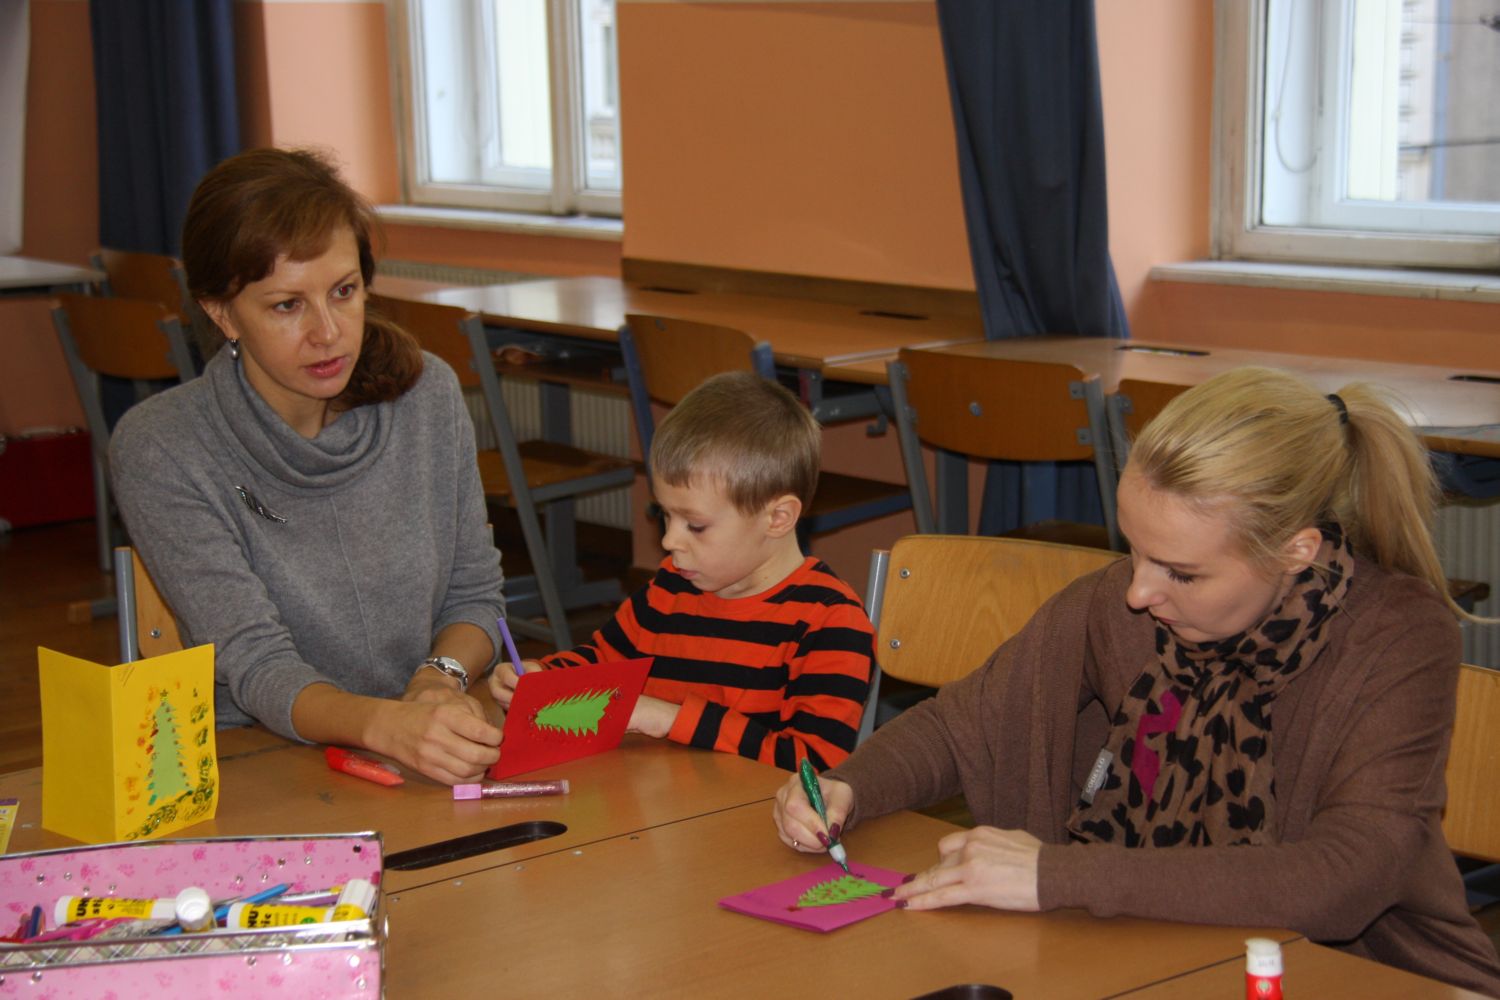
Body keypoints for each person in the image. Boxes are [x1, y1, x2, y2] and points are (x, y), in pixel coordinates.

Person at [773, 367, 1500, 996]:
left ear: (1295, 552)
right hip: (1148, 952)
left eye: (1181, 572)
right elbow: (964, 724)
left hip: (1367, 975)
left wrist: (1059, 875)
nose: (1138, 591)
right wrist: (849, 786)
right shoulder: (1123, 605)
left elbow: (1344, 878)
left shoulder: (1397, 636)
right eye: (1136, 552)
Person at [109, 147, 506, 785]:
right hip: (265, 756)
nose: (328, 333)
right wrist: (387, 725)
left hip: (424, 735)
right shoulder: (163, 446)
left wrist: (437, 680)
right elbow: (258, 665)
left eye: (344, 292)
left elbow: (475, 594)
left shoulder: (426, 394)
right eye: (286, 306)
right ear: (220, 313)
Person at [491, 371, 873, 771]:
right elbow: (603, 662)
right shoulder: (671, 589)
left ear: (777, 518)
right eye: (664, 515)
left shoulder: (830, 622)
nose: (670, 540)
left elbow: (816, 767)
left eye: (695, 525)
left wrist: (669, 718)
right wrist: (540, 679)